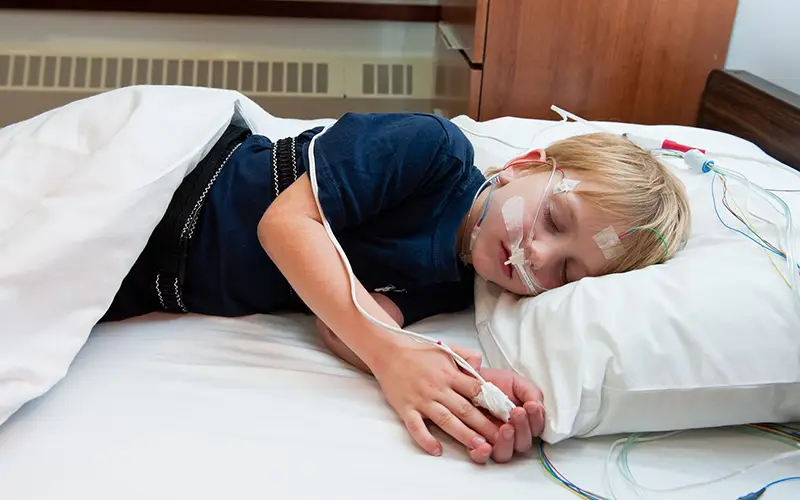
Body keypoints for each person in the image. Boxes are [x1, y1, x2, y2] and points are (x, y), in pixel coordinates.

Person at [99, 111, 691, 464]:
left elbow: (344, 322)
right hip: (169, 194)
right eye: (556, 221)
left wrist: (456, 378)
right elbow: (286, 224)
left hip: (151, 282)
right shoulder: (432, 151)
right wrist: (389, 352)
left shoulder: (452, 284)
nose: (537, 254)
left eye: (566, 273)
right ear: (527, 165)